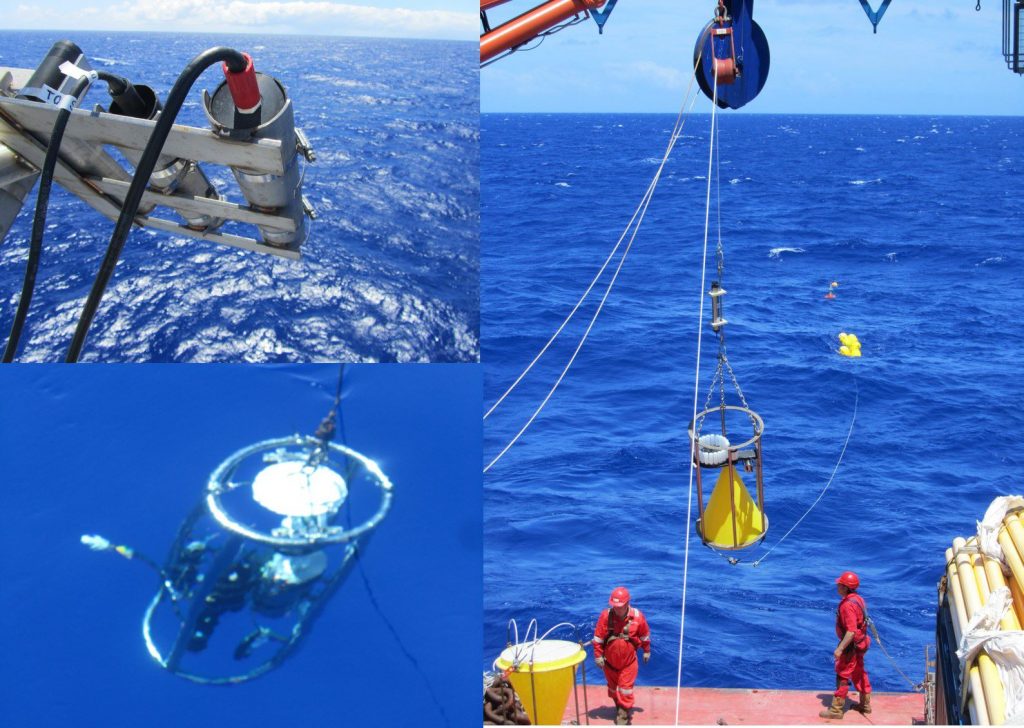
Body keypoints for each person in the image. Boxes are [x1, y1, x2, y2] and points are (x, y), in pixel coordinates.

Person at [592, 586, 651, 725]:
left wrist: (647, 651)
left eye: (620, 606)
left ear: (627, 603)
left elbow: (644, 636)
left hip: (628, 664)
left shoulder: (638, 617)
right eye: (615, 606)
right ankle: (619, 706)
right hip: (609, 664)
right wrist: (598, 656)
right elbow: (598, 638)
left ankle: (623, 717)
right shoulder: (605, 616)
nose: (617, 609)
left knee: (625, 691)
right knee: (613, 690)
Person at [820, 571, 872, 720]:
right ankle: (865, 705)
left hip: (851, 646)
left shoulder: (847, 605)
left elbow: (850, 631)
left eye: (839, 584)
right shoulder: (858, 599)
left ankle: (836, 710)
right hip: (861, 643)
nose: (837, 586)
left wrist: (840, 648)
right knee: (859, 672)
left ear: (845, 587)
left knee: (842, 674)